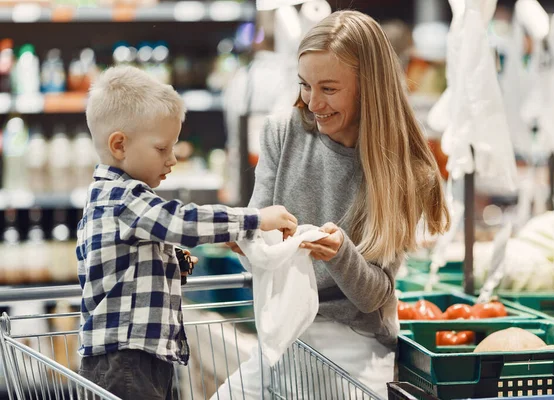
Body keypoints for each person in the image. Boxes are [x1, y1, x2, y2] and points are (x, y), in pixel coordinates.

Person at [220, 9, 450, 398]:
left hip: (354, 347)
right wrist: (248, 243)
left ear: (369, 87)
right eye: (305, 85)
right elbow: (256, 256)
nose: (312, 103)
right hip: (283, 334)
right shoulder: (282, 132)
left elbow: (375, 295)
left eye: (329, 89)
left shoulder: (402, 166)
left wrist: (340, 254)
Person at [76, 65, 298, 400]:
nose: (172, 159)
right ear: (119, 145)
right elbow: (181, 222)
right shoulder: (123, 199)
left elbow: (120, 267)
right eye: (162, 148)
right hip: (125, 361)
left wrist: (174, 261)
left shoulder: (112, 201)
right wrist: (253, 220)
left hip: (133, 357)